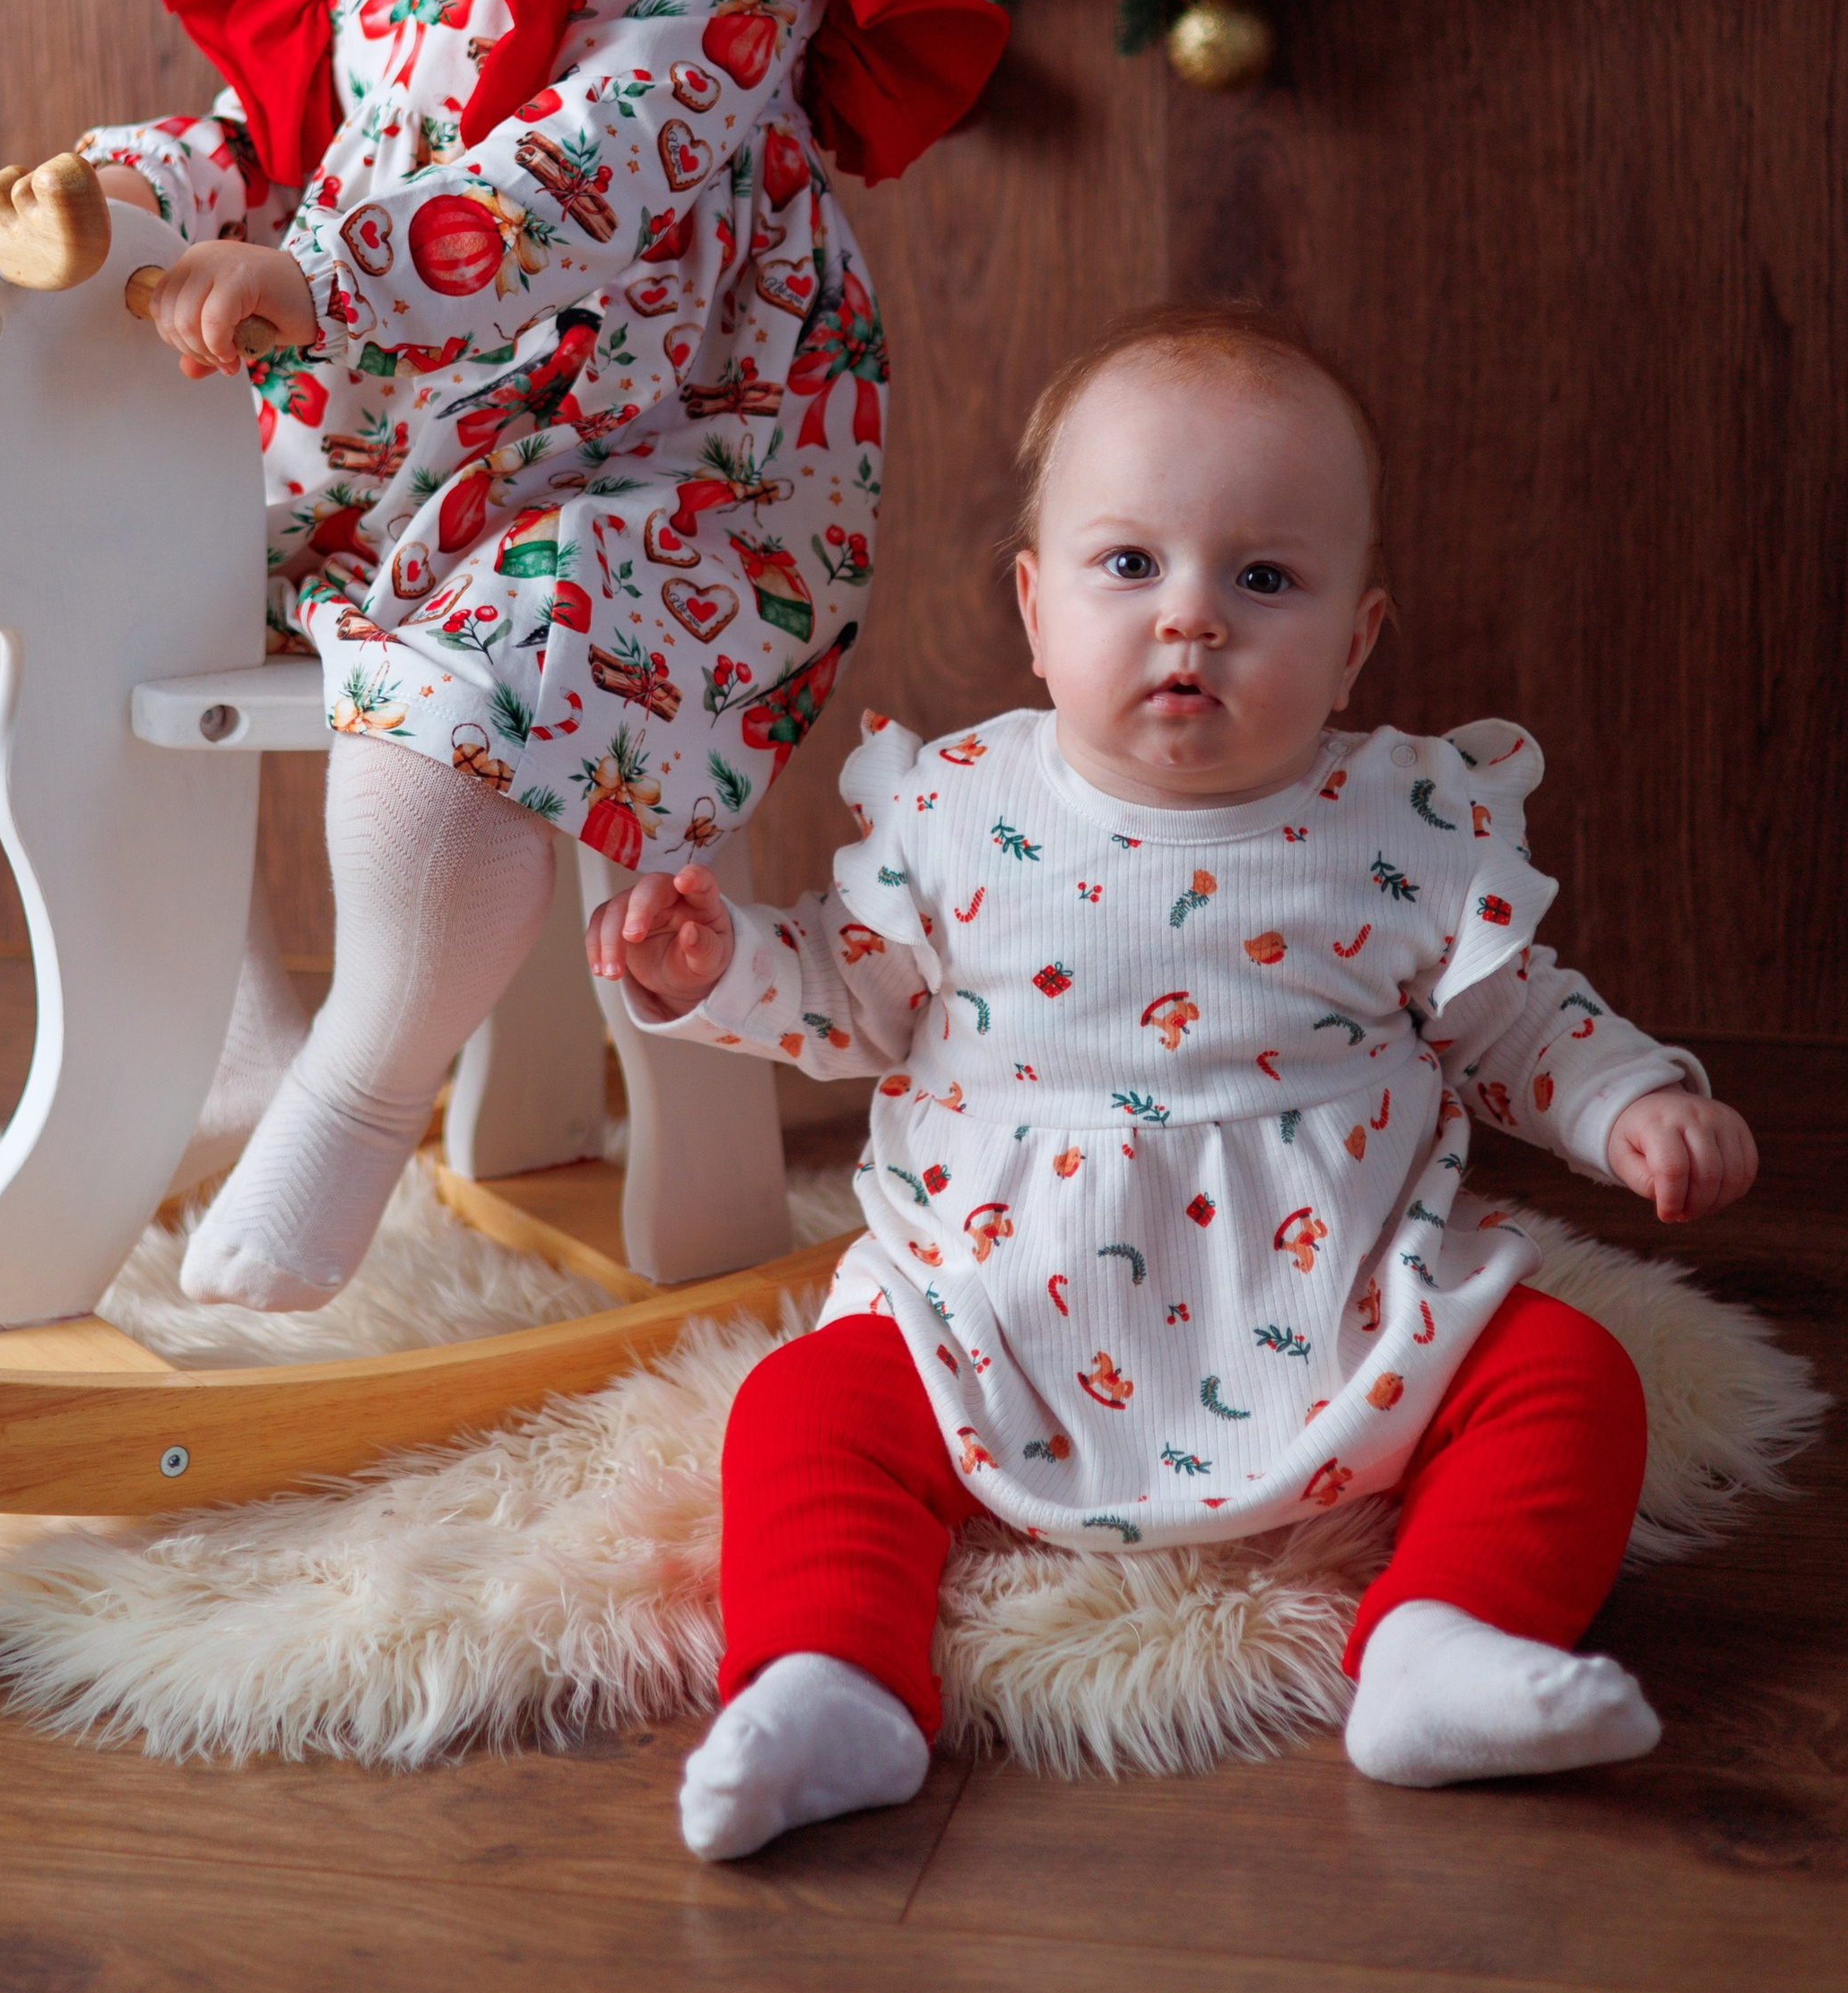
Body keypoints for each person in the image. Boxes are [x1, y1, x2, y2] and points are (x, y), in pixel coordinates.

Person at [79, 0, 1005, 1311]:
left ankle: (353, 1096)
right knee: (73, 591)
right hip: (395, 446)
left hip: (654, 478)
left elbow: (589, 179)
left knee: (462, 700)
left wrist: (313, 276)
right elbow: (278, 136)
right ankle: (226, 1038)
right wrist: (111, 199)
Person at [588, 303, 1759, 1855]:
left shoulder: (1403, 825)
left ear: (1353, 640)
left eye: (1261, 578)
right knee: (804, 1407)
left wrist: (1630, 1101)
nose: (1190, 617)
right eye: (1130, 565)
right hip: (993, 1303)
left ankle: (1443, 1644)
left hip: (1336, 1292)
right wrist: (712, 967)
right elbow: (845, 998)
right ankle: (830, 1682)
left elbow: (1518, 1023)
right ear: (1034, 604)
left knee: (1569, 1380)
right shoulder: (953, 814)